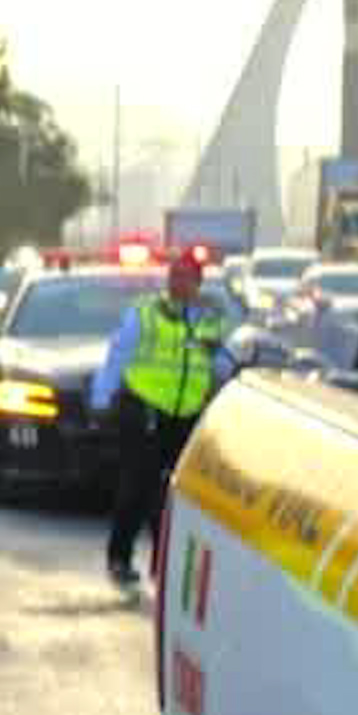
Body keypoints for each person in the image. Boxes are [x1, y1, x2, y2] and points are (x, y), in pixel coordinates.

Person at [90, 249, 238, 585]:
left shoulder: (206, 319)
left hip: (184, 415)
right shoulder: (146, 313)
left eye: (187, 277)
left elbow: (218, 361)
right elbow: (118, 354)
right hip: (145, 410)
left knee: (175, 494)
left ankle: (166, 567)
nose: (178, 282)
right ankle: (119, 558)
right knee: (137, 487)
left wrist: (235, 378)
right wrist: (101, 398)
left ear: (199, 283)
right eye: (174, 275)